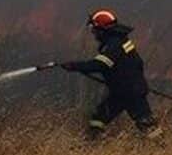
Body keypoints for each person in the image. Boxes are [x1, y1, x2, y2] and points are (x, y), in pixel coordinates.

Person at [60, 9, 162, 140]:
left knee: (146, 123)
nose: (93, 33)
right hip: (123, 91)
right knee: (99, 117)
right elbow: (133, 64)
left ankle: (162, 146)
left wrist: (74, 66)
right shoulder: (119, 41)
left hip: (130, 92)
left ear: (102, 29)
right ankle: (93, 143)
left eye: (94, 29)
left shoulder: (114, 45)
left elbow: (100, 64)